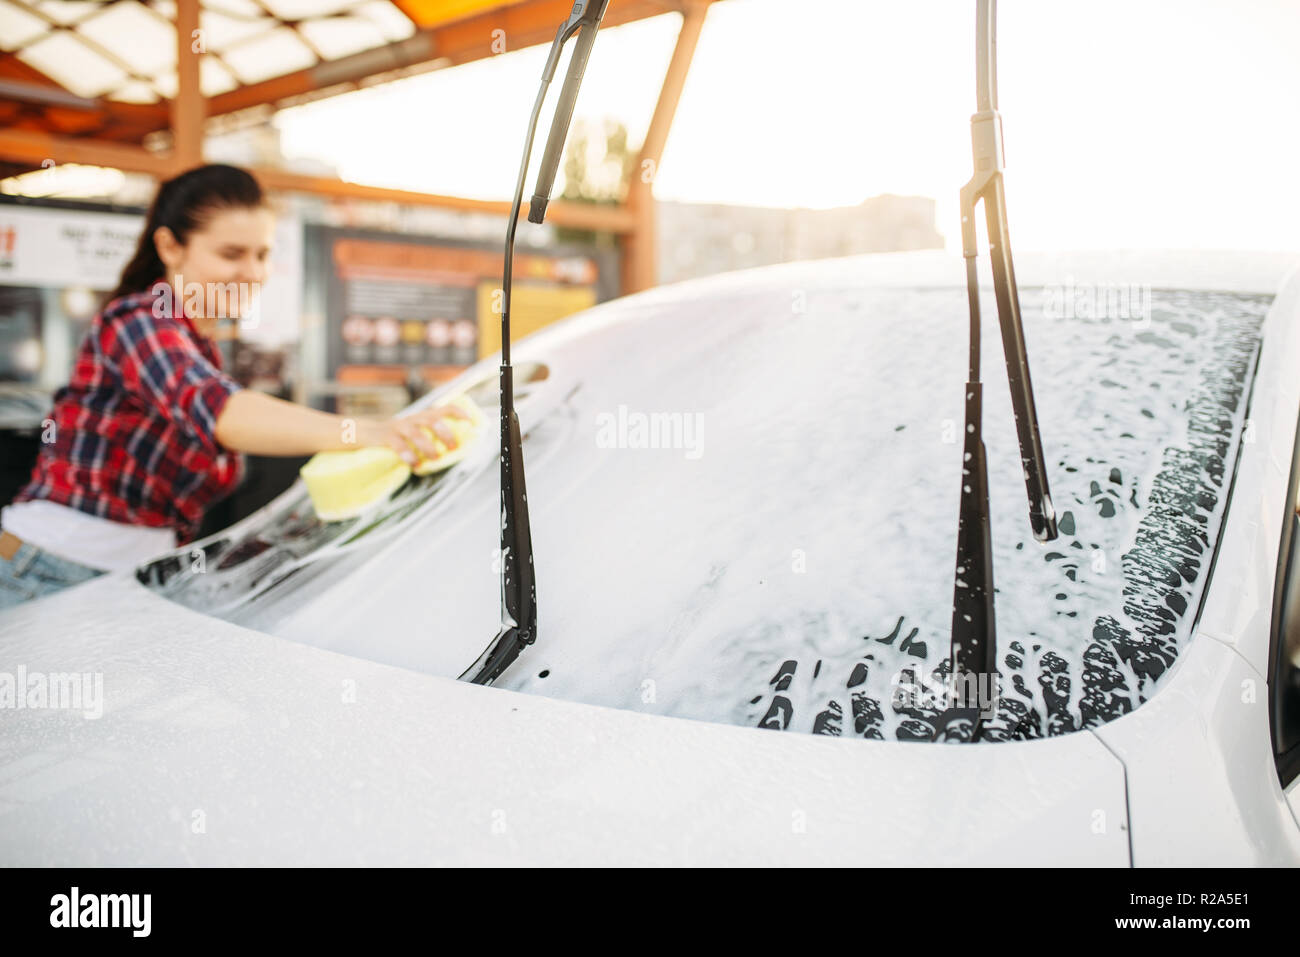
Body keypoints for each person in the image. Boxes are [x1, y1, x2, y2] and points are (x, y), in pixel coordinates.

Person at [0, 163, 469, 609]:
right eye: (231, 253)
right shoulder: (139, 321)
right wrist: (370, 431)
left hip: (121, 577)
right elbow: (217, 410)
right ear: (170, 247)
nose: (254, 272)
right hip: (45, 572)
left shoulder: (199, 347)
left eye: (263, 254)